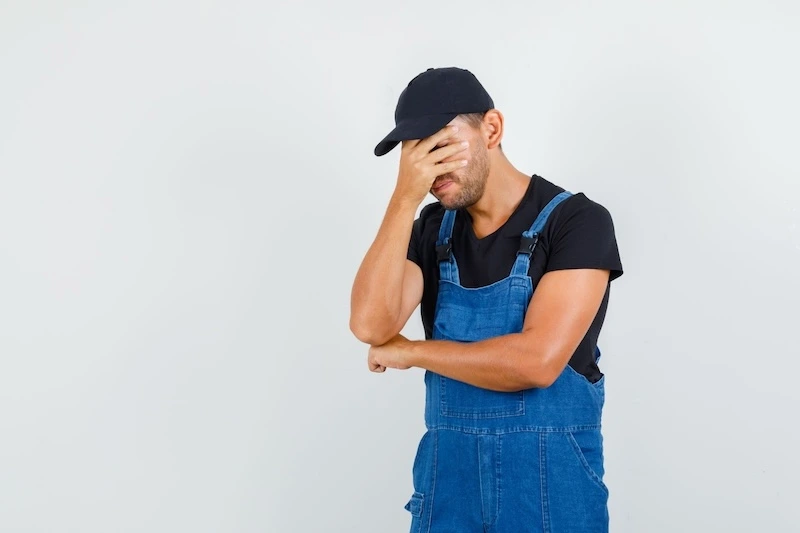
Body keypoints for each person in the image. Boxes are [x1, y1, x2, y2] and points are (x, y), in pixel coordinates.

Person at [349, 67, 623, 533]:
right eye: (413, 155)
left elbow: (535, 363)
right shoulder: (430, 229)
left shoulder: (577, 222)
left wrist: (413, 352)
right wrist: (402, 199)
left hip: (549, 491)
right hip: (449, 488)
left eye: (440, 144)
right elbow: (371, 327)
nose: (428, 168)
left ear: (491, 128)